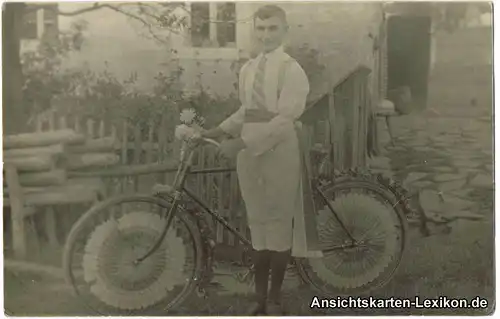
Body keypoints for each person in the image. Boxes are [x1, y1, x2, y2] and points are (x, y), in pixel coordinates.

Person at [201, 5, 322, 315]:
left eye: (272, 29)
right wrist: (218, 130)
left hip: (279, 150)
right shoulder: (248, 70)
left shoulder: (292, 71)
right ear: (255, 31)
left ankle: (275, 298)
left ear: (284, 31)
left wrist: (241, 141)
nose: (266, 35)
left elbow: (284, 120)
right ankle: (258, 300)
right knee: (258, 223)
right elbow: (245, 112)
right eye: (261, 29)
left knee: (279, 222)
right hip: (249, 153)